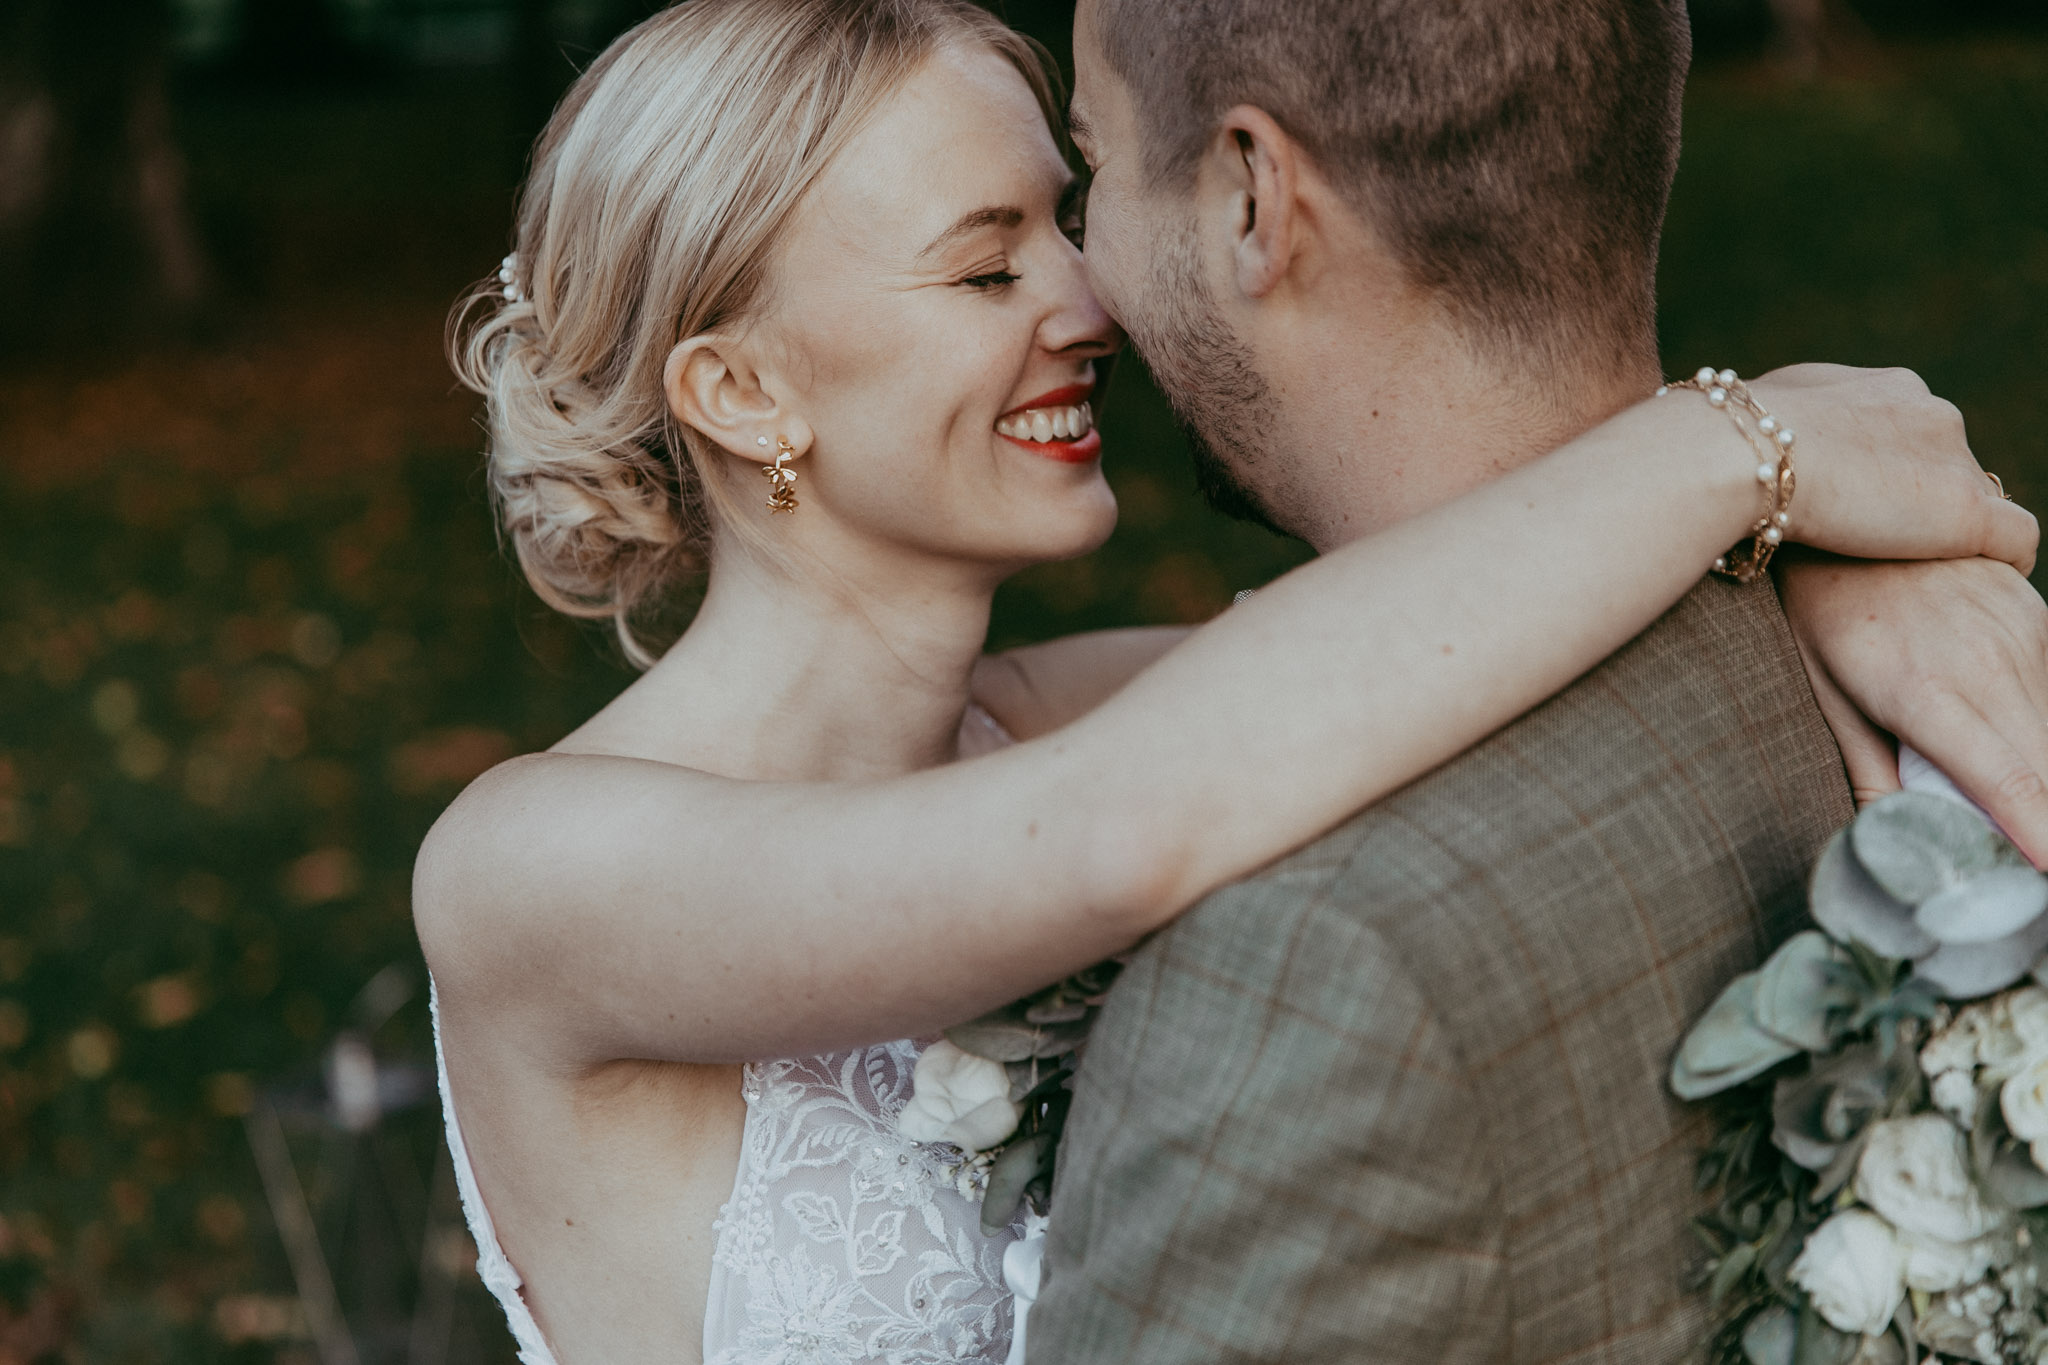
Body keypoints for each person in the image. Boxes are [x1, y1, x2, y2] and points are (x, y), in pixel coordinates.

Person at [412, 2, 2046, 1363]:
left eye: (1068, 216)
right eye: (988, 270)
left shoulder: (1059, 719)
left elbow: (1459, 613)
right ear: (744, 389)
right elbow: (1124, 829)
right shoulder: (531, 873)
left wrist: (1820, 574)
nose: (1089, 301)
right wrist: (1744, 451)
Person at [1024, 1, 2048, 1362]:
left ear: (1253, 198)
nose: (1079, 278)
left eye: (1094, 170)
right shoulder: (1868, 669)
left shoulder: (1300, 963)